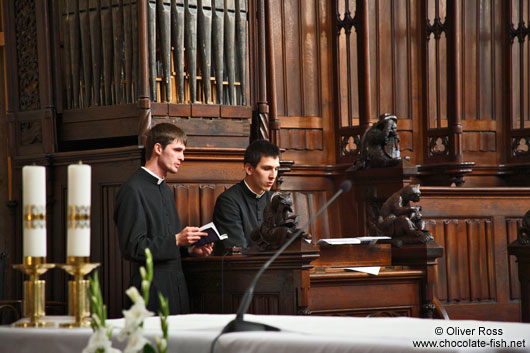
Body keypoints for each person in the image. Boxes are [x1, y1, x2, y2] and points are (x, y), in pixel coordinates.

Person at [114, 123, 213, 315]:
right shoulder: (132, 190)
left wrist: (191, 249)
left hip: (176, 288)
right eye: (177, 150)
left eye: (183, 152)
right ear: (158, 148)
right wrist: (177, 239)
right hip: (149, 291)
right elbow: (132, 247)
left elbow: (167, 239)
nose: (182, 157)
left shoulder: (165, 191)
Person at [213, 139, 281, 252]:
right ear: (249, 169)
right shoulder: (228, 201)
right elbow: (237, 250)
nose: (273, 176)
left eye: (276, 169)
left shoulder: (276, 199)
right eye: (267, 168)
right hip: (245, 268)